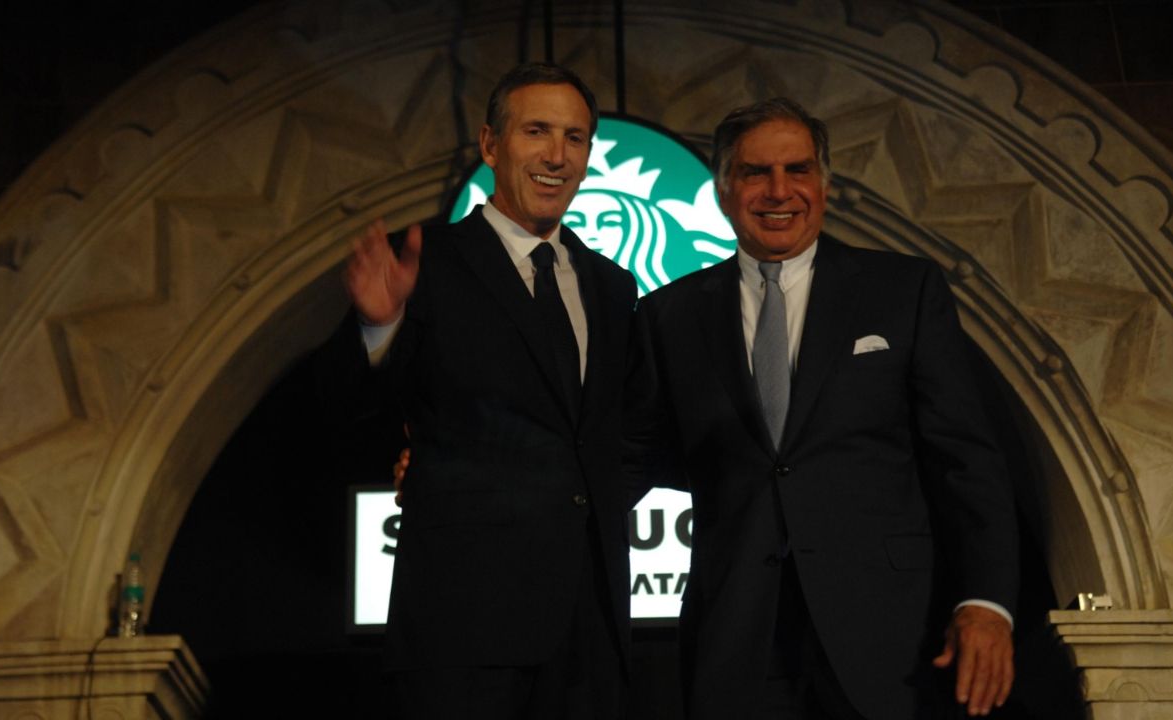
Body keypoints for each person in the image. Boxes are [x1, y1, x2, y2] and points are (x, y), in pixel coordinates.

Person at [625, 98, 1019, 719]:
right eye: (756, 173)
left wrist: (986, 603)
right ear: (725, 190)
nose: (780, 191)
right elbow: (630, 458)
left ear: (825, 183)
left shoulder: (903, 291)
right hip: (738, 642)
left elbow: (966, 460)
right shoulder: (669, 315)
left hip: (891, 637)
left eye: (799, 170)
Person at [317, 62, 638, 719]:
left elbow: (618, 435)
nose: (556, 155)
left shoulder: (612, 285)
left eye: (575, 138)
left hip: (588, 630)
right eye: (537, 132)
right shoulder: (429, 261)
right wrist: (378, 326)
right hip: (463, 628)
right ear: (492, 145)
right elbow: (338, 404)